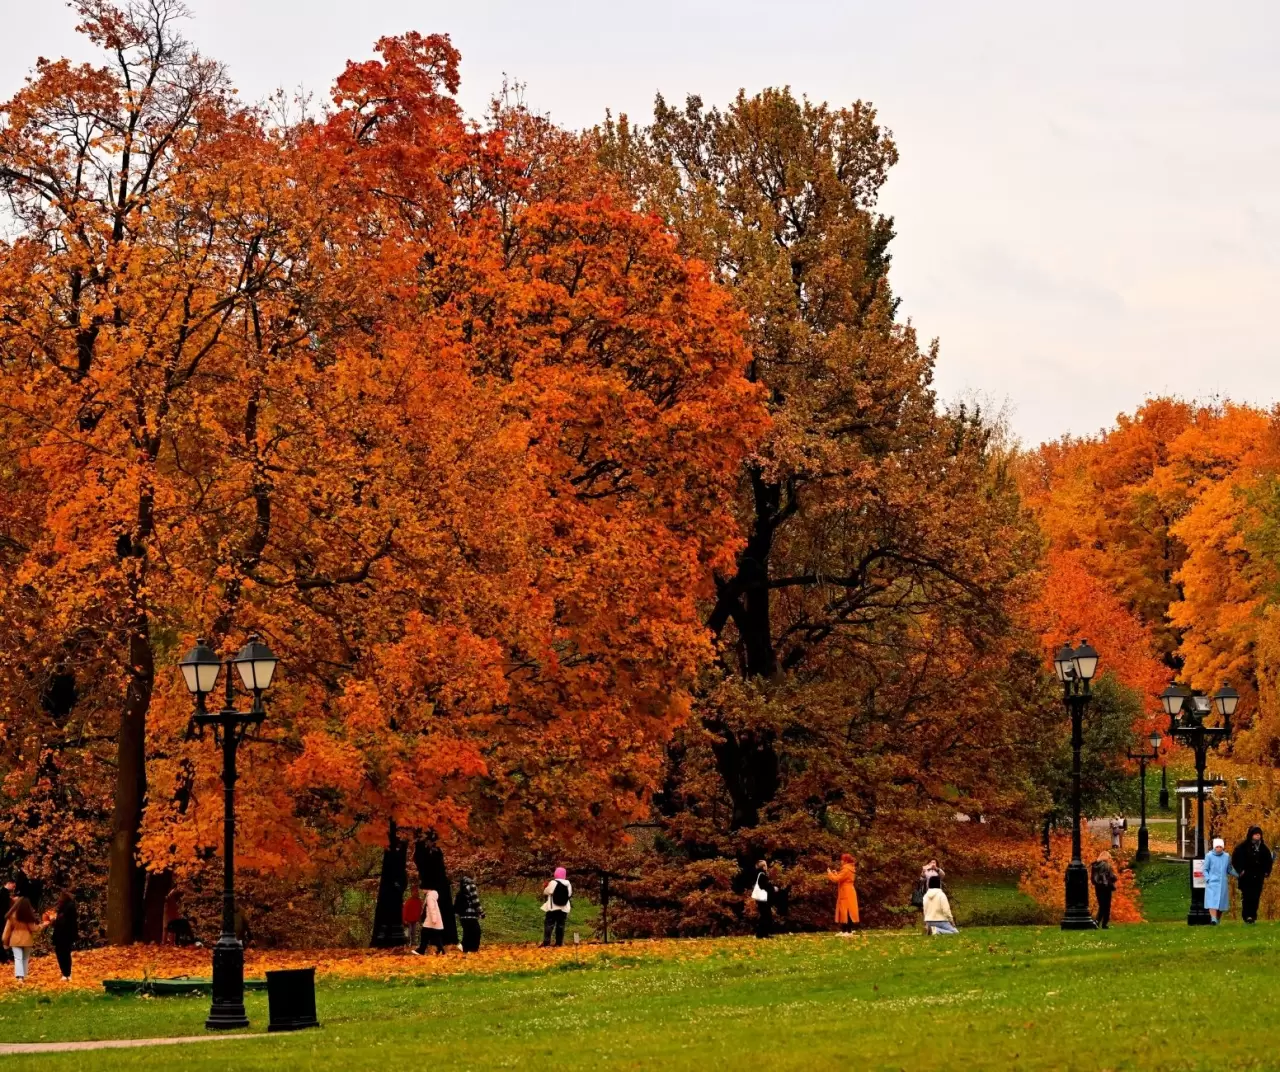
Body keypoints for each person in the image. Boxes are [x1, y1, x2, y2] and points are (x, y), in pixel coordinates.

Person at [1232, 826, 1273, 924]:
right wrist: (1240, 870)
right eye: (1255, 834)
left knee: (1255, 896)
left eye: (1259, 834)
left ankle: (1253, 915)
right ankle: (1247, 916)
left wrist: (1267, 871)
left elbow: (1268, 861)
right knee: (1247, 896)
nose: (1257, 836)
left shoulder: (1263, 848)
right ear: (1251, 835)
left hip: (1258, 876)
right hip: (1246, 876)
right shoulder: (1242, 847)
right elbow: (1235, 859)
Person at [2, 895, 42, 981]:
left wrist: (5, 942)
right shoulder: (28, 916)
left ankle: (19, 977)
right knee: (25, 958)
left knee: (18, 958)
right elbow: (34, 929)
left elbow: (7, 931)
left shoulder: (11, 916)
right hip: (27, 940)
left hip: (15, 940)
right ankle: (24, 976)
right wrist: (42, 925)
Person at [1204, 837, 1236, 924]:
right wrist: (1208, 879)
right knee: (1212, 901)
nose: (1218, 848)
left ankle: (1217, 919)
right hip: (1212, 883)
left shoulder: (1226, 856)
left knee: (1221, 903)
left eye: (1220, 847)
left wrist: (1238, 875)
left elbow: (1229, 869)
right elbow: (1205, 869)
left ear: (1223, 847)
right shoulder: (1209, 856)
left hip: (1223, 883)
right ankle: (1213, 918)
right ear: (1214, 847)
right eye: (1217, 847)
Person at [826, 854, 859, 933]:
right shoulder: (848, 869)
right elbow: (842, 878)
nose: (841, 861)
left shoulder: (846, 869)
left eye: (842, 860)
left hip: (846, 892)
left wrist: (830, 873)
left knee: (847, 911)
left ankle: (848, 931)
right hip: (847, 891)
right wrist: (836, 873)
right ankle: (845, 931)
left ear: (846, 861)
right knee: (844, 911)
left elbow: (837, 879)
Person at [541, 867, 572, 948]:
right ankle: (559, 943)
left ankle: (546, 943)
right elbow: (569, 894)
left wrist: (545, 887)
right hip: (564, 908)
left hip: (552, 908)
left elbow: (547, 892)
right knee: (560, 925)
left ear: (556, 874)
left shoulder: (553, 882)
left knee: (549, 924)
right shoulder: (568, 883)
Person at [49, 891, 77, 981]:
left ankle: (65, 973)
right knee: (66, 954)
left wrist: (54, 920)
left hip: (62, 935)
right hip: (68, 935)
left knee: (61, 954)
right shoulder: (70, 907)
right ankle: (67, 973)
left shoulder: (65, 908)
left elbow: (62, 921)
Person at [455, 876, 485, 953]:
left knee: (467, 933)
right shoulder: (472, 886)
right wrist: (481, 912)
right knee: (476, 932)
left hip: (462, 915)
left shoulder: (463, 886)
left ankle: (465, 949)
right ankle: (472, 949)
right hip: (470, 915)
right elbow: (475, 901)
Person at [413, 886, 446, 955]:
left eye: (422, 888)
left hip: (431, 920)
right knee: (435, 936)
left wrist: (434, 919)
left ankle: (421, 950)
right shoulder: (431, 895)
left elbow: (432, 908)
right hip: (432, 920)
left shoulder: (429, 897)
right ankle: (440, 950)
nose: (422, 890)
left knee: (425, 934)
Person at [1090, 851, 1118, 928]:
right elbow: (1111, 877)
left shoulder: (1094, 866)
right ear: (1107, 857)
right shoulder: (1106, 865)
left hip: (1098, 887)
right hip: (1106, 887)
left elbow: (1093, 878)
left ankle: (1097, 922)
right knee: (1106, 906)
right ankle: (1103, 923)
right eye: (1109, 858)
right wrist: (1115, 878)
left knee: (1101, 905)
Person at [750, 861, 775, 939]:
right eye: (766, 865)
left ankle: (762, 934)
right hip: (763, 900)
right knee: (766, 916)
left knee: (764, 916)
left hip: (761, 900)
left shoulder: (759, 874)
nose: (767, 866)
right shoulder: (762, 875)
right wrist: (773, 888)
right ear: (763, 866)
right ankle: (762, 934)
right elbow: (764, 886)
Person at [0, 882, 13, 965]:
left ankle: (5, 958)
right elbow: (5, 907)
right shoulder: (4, 893)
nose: (13, 887)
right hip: (2, 918)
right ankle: (4, 958)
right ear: (8, 883)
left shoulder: (3, 892)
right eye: (13, 885)